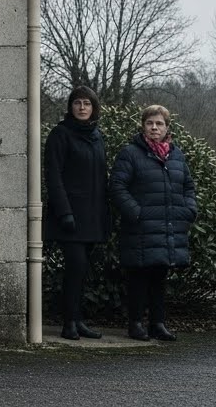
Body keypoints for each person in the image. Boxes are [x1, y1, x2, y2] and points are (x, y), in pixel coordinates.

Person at [110, 104, 196, 342]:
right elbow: (117, 187)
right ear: (143, 126)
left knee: (160, 276)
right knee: (138, 276)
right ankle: (135, 323)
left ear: (167, 127)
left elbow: (188, 186)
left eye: (159, 123)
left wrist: (189, 210)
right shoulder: (130, 153)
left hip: (167, 227)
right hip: (140, 228)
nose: (154, 127)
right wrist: (137, 213)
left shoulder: (176, 155)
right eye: (150, 123)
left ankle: (158, 323)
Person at [43, 86, 111, 341]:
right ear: (70, 107)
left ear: (94, 108)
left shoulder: (97, 137)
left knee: (83, 271)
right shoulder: (60, 135)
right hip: (69, 217)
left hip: (93, 216)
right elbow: (53, 176)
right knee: (75, 267)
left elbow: (101, 178)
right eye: (77, 103)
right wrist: (64, 212)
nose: (82, 107)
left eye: (87, 103)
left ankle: (78, 320)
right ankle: (68, 322)